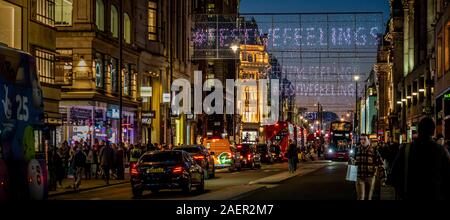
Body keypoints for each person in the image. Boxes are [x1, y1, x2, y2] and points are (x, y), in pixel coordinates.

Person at [391, 117, 450, 200]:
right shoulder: (442, 151)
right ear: (433, 131)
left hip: (411, 195)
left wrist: (402, 191)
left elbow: (394, 175)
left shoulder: (406, 149)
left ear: (418, 130)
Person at [353, 134, 385, 200]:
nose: (363, 141)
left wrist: (383, 178)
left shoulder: (374, 150)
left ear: (368, 140)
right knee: (360, 197)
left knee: (369, 197)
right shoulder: (357, 150)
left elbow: (380, 163)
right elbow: (352, 163)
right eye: (361, 139)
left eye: (364, 139)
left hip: (370, 177)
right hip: (359, 176)